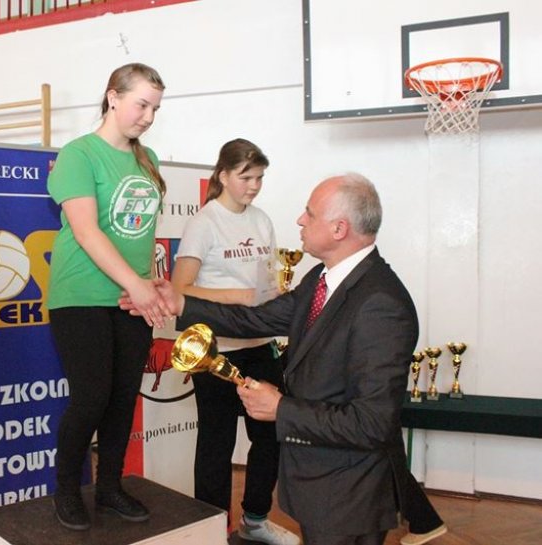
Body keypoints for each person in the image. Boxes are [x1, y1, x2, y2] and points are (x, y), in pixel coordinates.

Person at [135, 173, 423, 544]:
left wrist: (280, 408)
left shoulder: (380, 304)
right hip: (320, 486)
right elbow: (254, 320)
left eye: (310, 213)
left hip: (350, 495)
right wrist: (180, 303)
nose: (300, 220)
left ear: (339, 229)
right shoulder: (320, 279)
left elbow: (371, 423)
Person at [46, 62, 170, 531]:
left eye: (155, 108)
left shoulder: (148, 158)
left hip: (131, 298)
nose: (148, 117)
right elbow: (87, 231)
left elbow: (142, 233)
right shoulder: (79, 154)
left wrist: (147, 285)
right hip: (81, 295)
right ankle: (66, 489)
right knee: (91, 397)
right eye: (141, 105)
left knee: (122, 398)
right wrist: (135, 284)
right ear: (113, 97)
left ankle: (110, 487)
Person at [170, 139, 298, 545]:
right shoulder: (204, 222)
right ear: (223, 176)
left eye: (259, 177)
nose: (254, 185)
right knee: (216, 444)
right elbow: (179, 288)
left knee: (270, 437)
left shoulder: (262, 220)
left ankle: (255, 521)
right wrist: (237, 296)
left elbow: (265, 280)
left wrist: (274, 294)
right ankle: (211, 530)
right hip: (217, 352)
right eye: (246, 177)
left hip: (260, 345)